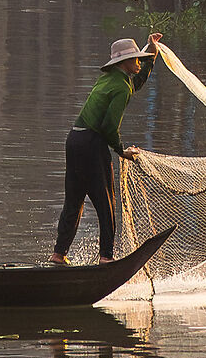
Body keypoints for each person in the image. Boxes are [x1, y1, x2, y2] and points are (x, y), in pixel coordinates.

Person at [55, 34, 161, 265]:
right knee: (106, 205)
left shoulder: (108, 79)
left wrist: (152, 53)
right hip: (92, 144)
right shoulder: (121, 87)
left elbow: (136, 82)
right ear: (124, 63)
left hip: (74, 140)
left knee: (74, 202)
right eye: (136, 59)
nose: (139, 63)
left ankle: (59, 253)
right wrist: (121, 150)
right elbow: (108, 127)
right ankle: (106, 258)